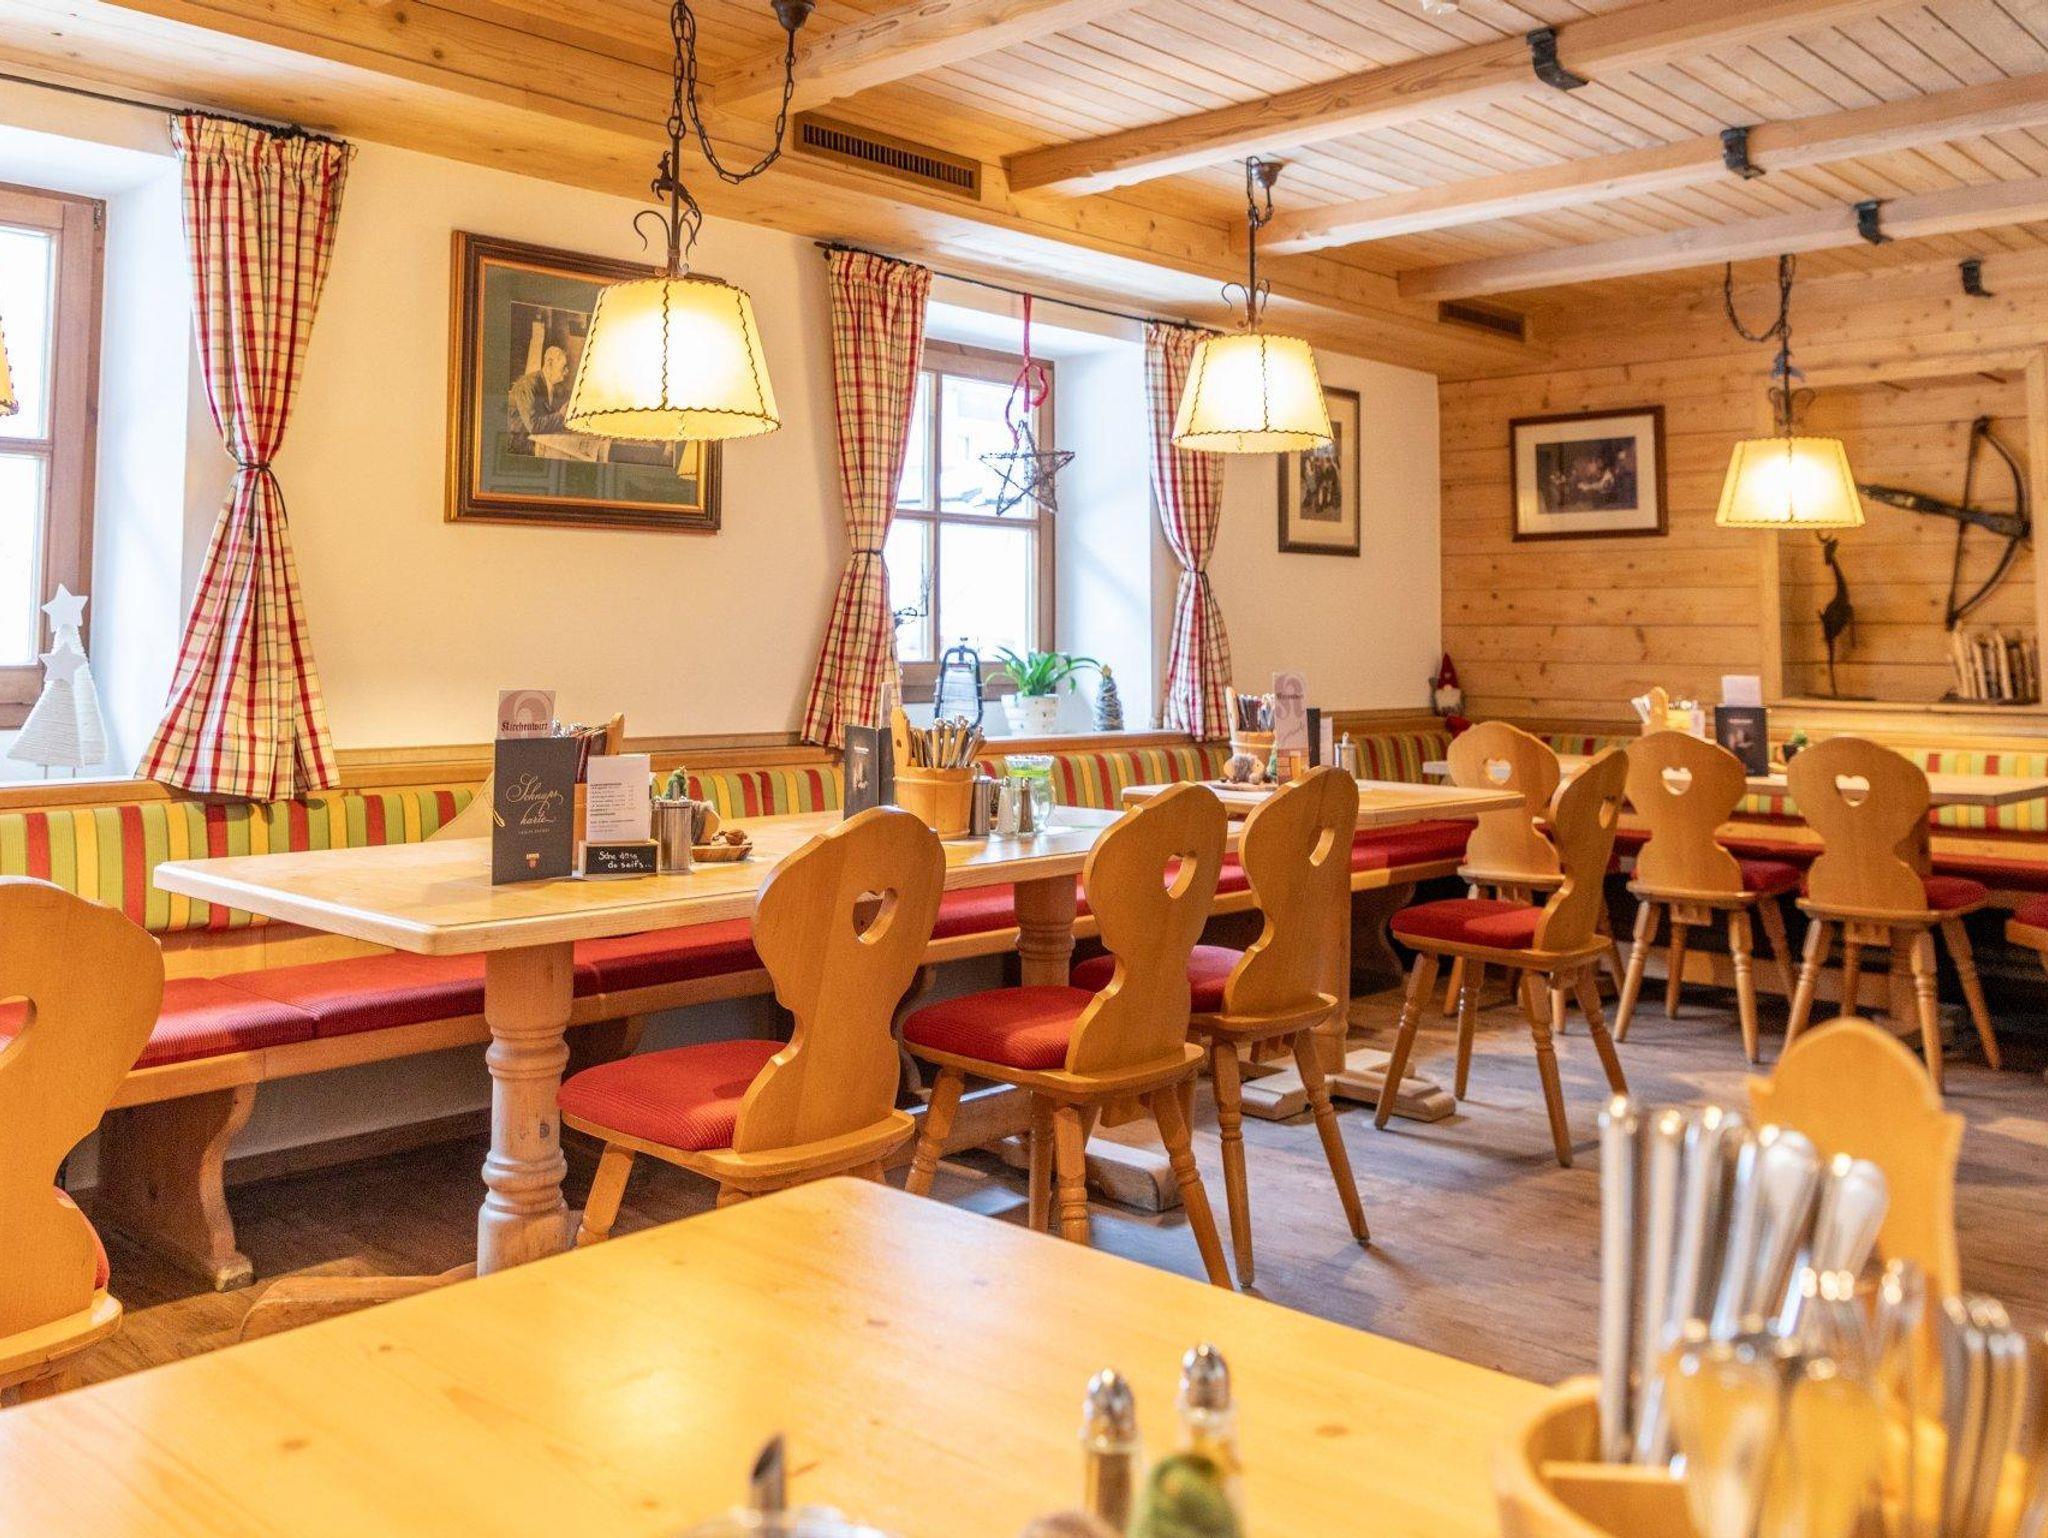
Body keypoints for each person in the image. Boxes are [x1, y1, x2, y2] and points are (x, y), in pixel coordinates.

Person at [507, 344, 570, 450]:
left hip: (533, 441)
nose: (567, 371)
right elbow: (534, 426)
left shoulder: (553, 386)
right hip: (517, 444)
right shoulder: (528, 384)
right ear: (549, 364)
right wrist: (561, 415)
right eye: (564, 367)